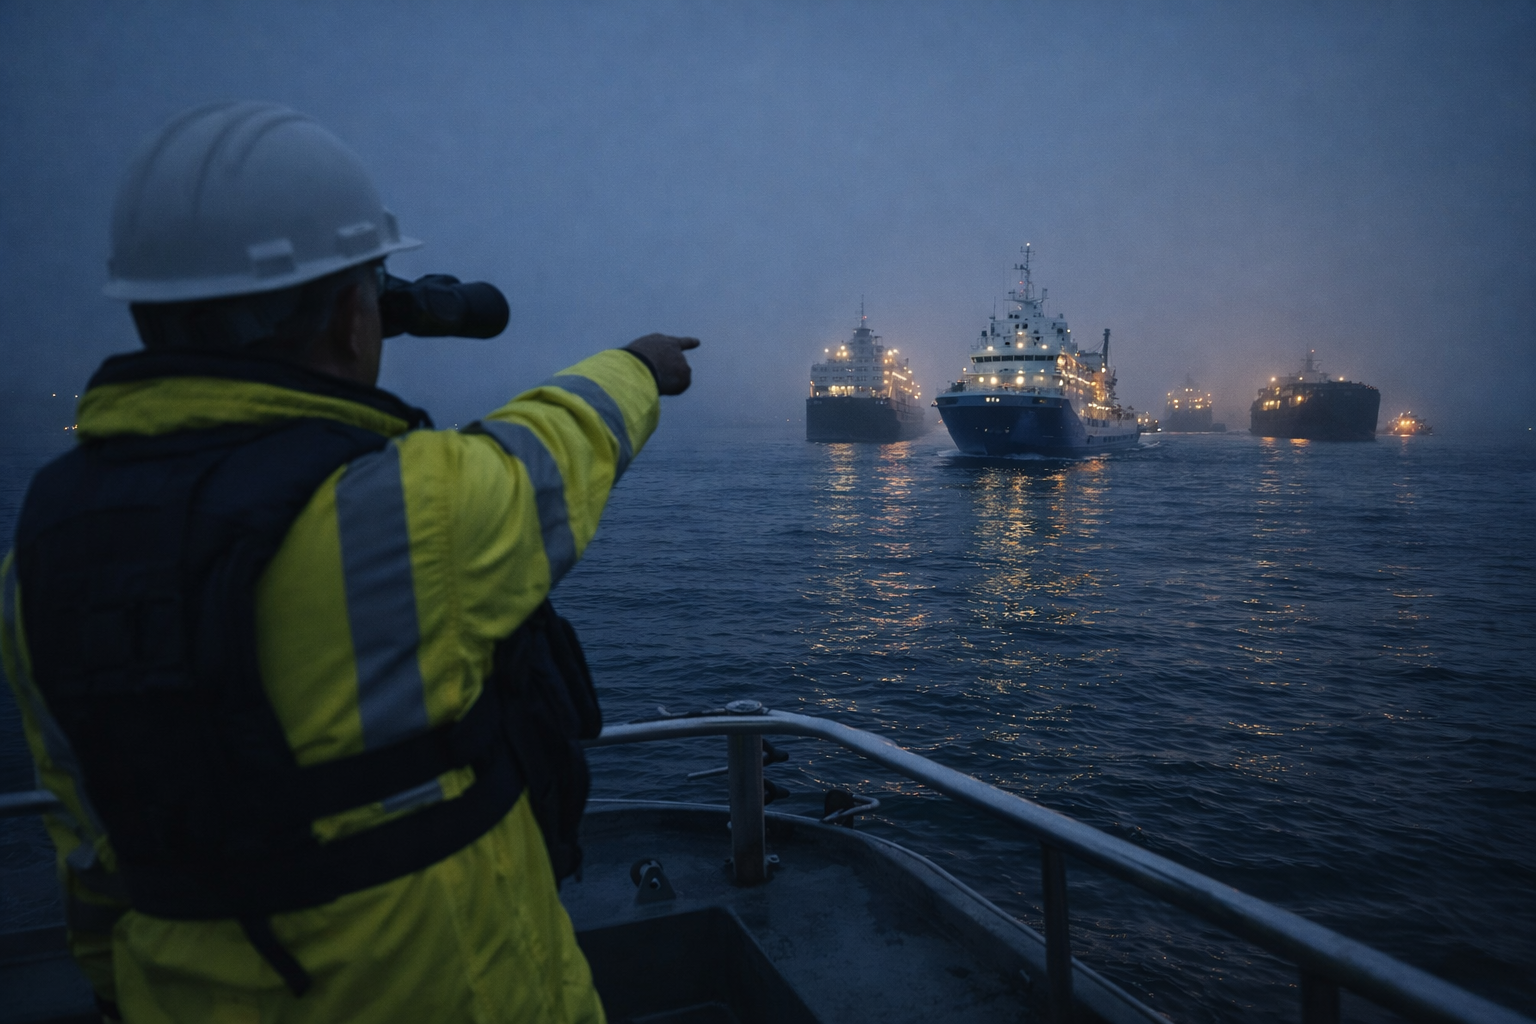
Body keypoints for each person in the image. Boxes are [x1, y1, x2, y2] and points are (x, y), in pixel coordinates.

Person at [0, 101, 697, 1023]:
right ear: (348, 314)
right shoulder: (409, 511)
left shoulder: (38, 555)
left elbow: (85, 842)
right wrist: (638, 364)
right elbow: (565, 442)